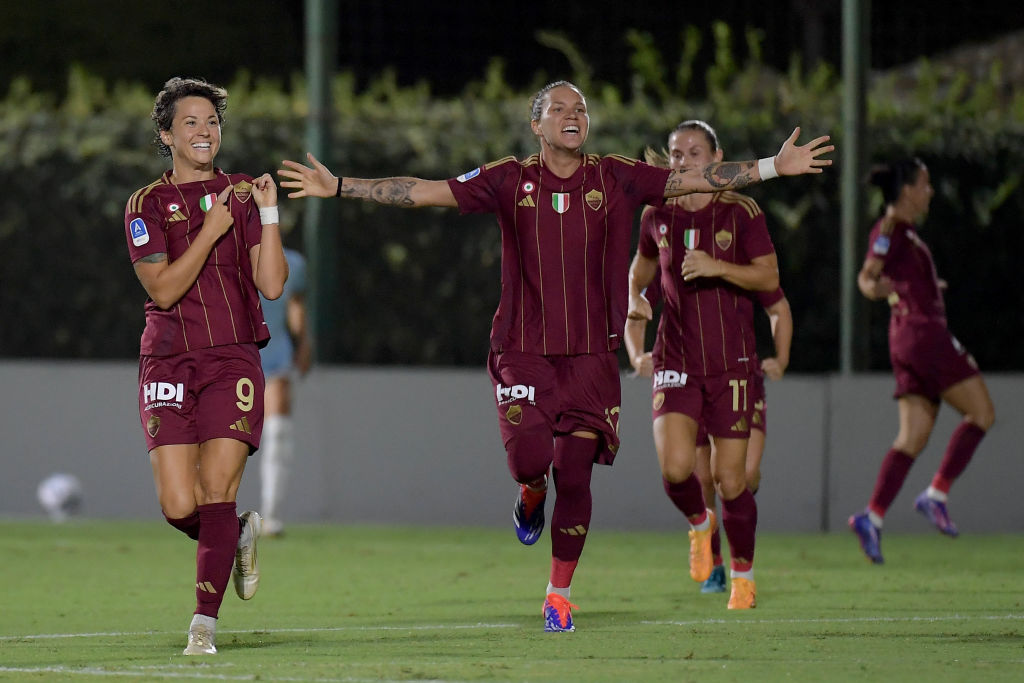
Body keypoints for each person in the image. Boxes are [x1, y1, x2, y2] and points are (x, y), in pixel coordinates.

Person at [278, 81, 832, 631]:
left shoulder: (616, 176)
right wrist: (342, 185)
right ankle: (528, 490)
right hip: (523, 353)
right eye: (559, 109)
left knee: (576, 476)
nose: (573, 115)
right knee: (529, 460)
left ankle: (558, 593)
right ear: (537, 125)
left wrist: (772, 167)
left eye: (581, 108)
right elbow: (426, 191)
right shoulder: (508, 179)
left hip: (591, 361)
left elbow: (694, 177)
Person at [124, 77, 288, 655]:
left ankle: (203, 626)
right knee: (179, 505)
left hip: (232, 358)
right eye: (191, 122)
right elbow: (164, 289)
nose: (205, 131)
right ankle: (236, 533)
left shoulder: (241, 194)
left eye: (212, 122)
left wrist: (268, 216)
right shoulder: (145, 205)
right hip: (167, 360)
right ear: (167, 135)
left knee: (216, 489)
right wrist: (210, 230)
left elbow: (270, 284)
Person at [627, 119, 785, 609]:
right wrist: (636, 318)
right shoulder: (657, 214)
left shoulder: (741, 210)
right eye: (676, 153)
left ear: (717, 158)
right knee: (678, 471)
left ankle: (743, 575)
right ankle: (701, 525)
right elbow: (640, 274)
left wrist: (718, 266)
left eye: (694, 152)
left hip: (733, 363)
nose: (683, 160)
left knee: (733, 480)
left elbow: (769, 278)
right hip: (676, 357)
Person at [848, 157, 995, 564]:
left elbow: (896, 277)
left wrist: (927, 286)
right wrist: (880, 288)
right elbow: (867, 277)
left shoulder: (906, 234)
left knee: (911, 439)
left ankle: (871, 517)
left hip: (907, 338)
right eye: (925, 184)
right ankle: (936, 494)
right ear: (908, 190)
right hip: (923, 336)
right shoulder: (892, 228)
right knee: (981, 413)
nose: (929, 191)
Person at [624, 265, 792, 595]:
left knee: (741, 477)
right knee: (701, 480)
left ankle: (739, 553)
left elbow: (778, 305)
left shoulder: (738, 254)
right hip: (685, 376)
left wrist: (782, 358)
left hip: (737, 374)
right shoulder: (672, 256)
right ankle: (717, 564)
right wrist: (635, 354)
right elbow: (639, 304)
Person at [259, 247, 312, 537]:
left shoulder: (293, 262)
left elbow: (296, 303)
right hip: (232, 357)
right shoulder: (225, 254)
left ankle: (271, 516)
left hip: (276, 356)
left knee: (278, 432)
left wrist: (304, 342)